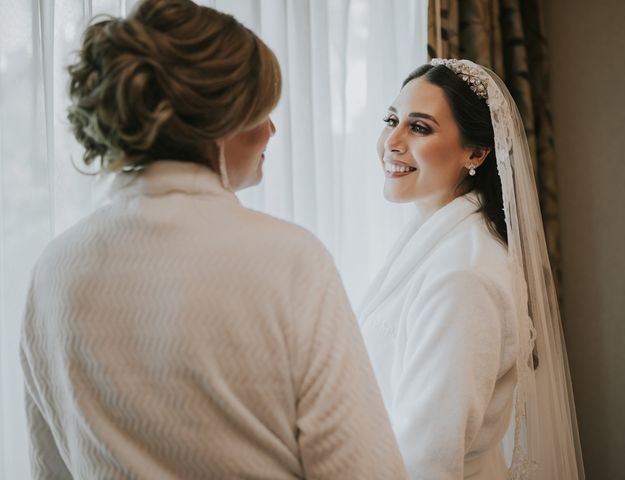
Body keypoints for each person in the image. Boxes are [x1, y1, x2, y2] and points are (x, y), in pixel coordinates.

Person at [19, 1, 408, 478]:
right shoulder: (289, 260)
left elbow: (48, 466)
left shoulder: (55, 268)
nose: (271, 129)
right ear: (220, 123)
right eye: (262, 111)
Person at [358, 59, 584, 480]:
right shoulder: (433, 243)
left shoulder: (462, 274)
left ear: (476, 152)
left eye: (419, 127)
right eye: (392, 119)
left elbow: (428, 458)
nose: (392, 140)